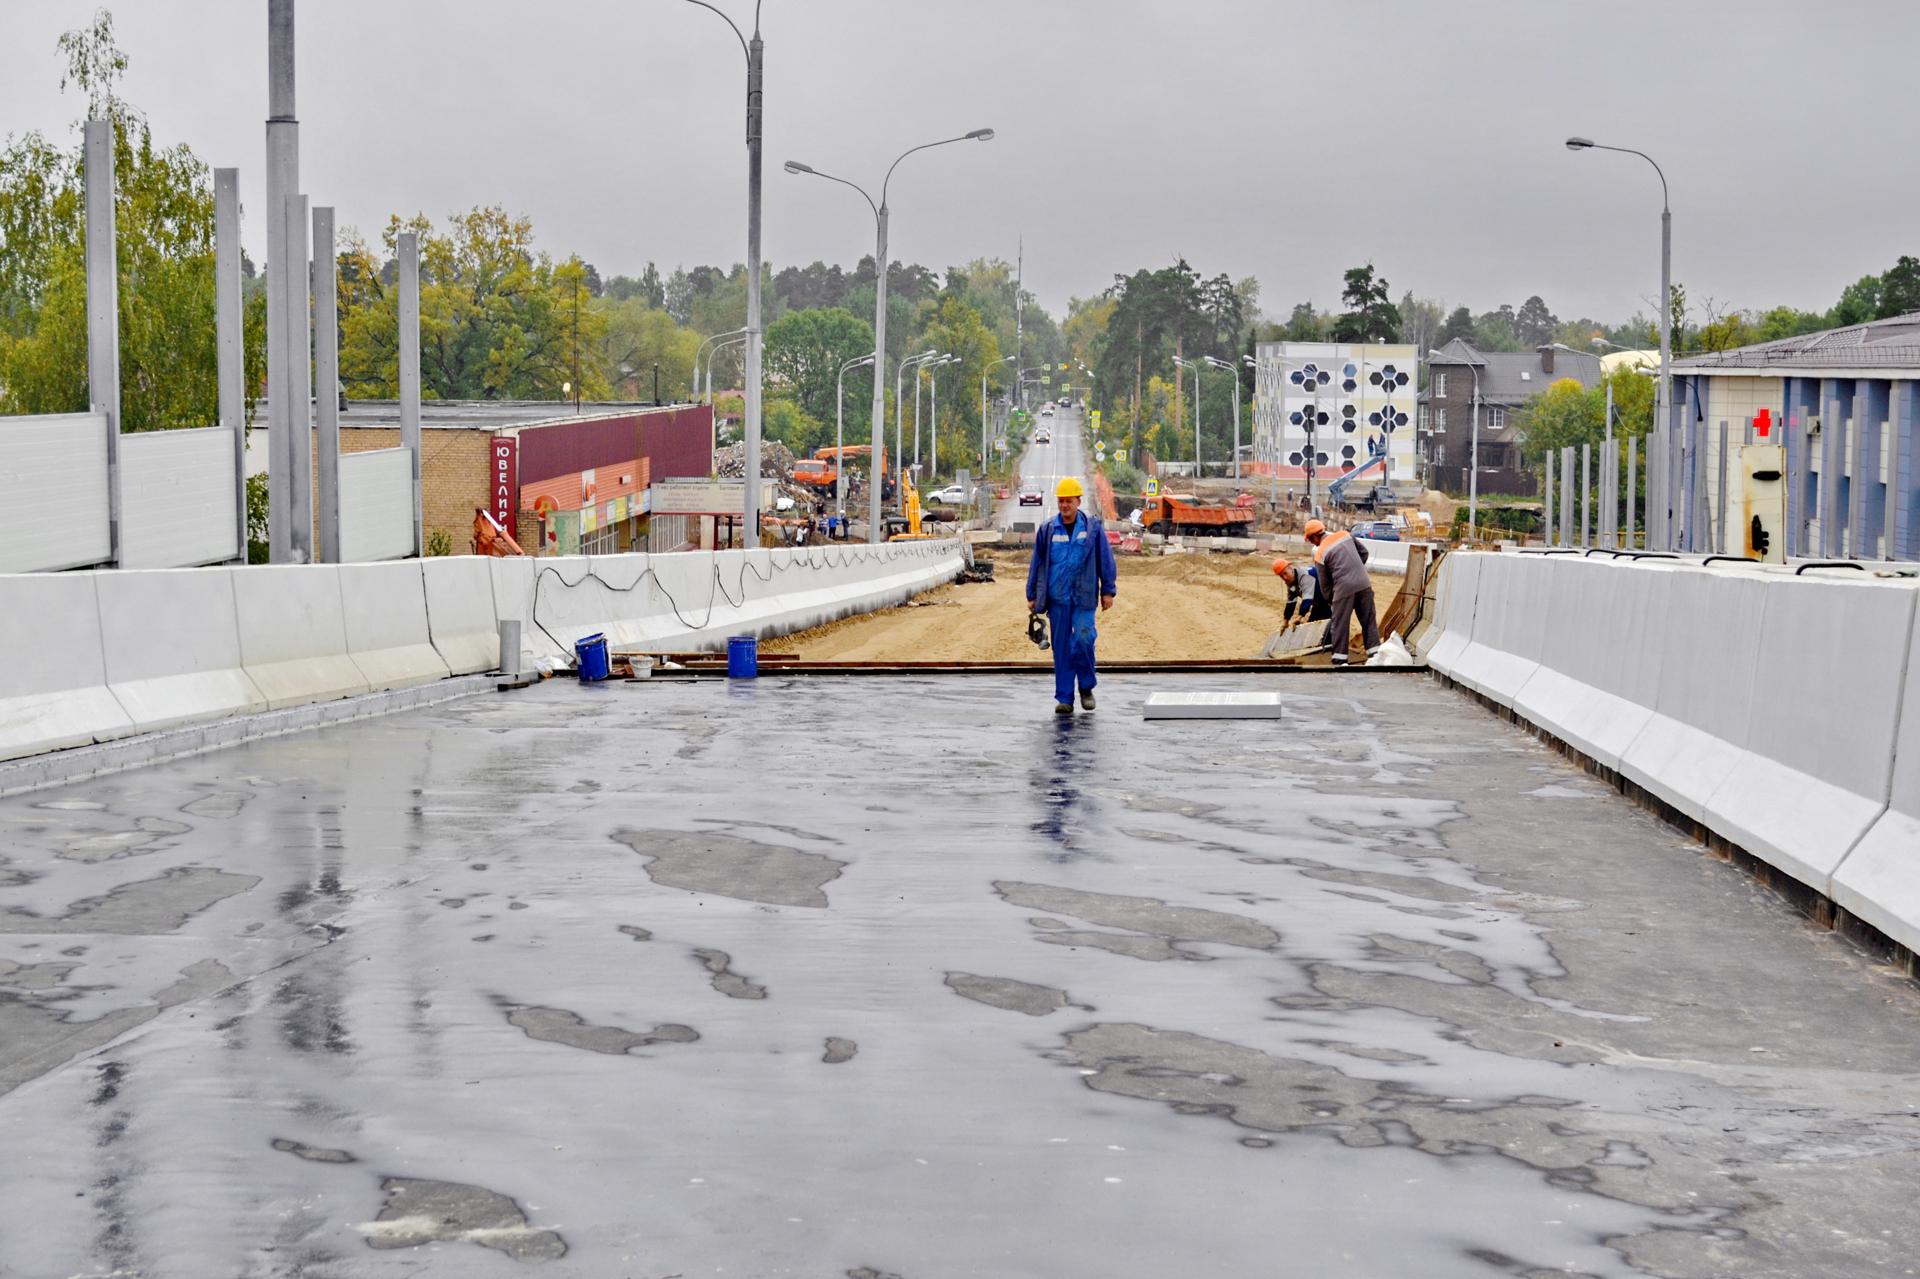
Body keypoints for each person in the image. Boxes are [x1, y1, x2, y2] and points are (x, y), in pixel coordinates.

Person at [1026, 476, 1117, 714]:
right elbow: (1037, 564)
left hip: (1084, 597)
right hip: (1058, 599)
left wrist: (1108, 590)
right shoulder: (1047, 530)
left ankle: (1086, 687)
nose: (1065, 505)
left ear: (1079, 501)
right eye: (1061, 501)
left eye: (1069, 501)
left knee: (1085, 639)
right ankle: (1065, 697)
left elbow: (1105, 560)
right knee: (1062, 648)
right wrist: (1032, 595)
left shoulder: (1091, 529)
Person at [1304, 518, 1379, 665]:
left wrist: (1332, 601)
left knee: (1340, 624)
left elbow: (1325, 585)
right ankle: (1375, 655)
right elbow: (1364, 553)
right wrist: (1355, 570)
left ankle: (1340, 659)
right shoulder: (1345, 534)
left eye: (1311, 540)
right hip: (1364, 584)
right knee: (1368, 620)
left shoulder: (1320, 554)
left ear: (1314, 536)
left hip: (1343, 589)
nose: (1313, 544)